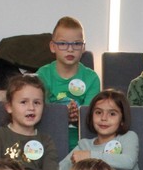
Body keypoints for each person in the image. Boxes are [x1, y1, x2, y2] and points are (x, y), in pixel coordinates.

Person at [0, 74, 58, 170]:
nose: (31, 108)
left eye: (37, 103)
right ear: (9, 107)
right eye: (23, 102)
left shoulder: (46, 141)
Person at [38, 16, 100, 151]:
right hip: (48, 142)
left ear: (83, 47)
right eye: (62, 43)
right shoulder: (43, 75)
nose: (70, 49)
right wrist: (63, 114)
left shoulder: (92, 78)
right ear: (53, 47)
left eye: (77, 44)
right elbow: (40, 113)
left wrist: (78, 115)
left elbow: (91, 117)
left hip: (82, 145)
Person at [60, 89, 142, 170]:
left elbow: (128, 162)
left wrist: (90, 156)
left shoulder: (128, 137)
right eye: (98, 112)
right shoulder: (84, 145)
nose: (104, 118)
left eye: (112, 114)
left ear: (122, 119)